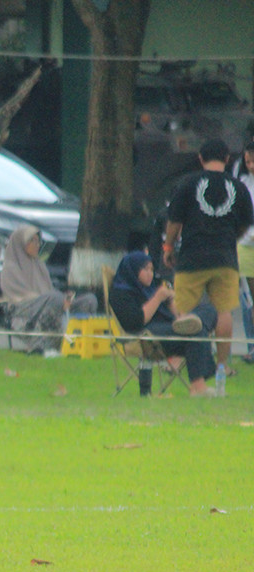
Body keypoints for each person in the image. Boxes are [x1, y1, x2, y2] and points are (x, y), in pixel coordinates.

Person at [164, 138, 254, 387]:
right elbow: (246, 223)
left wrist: (168, 247)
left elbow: (174, 221)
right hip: (225, 258)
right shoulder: (239, 187)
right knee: (223, 311)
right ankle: (222, 369)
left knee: (185, 310)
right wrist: (230, 238)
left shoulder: (188, 183)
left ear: (201, 159)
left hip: (191, 257)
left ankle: (191, 370)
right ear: (227, 159)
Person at [109, 251, 217, 397]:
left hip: (170, 326)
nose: (150, 274)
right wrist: (158, 298)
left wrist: (173, 303)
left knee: (209, 310)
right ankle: (198, 387)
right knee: (196, 332)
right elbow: (135, 322)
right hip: (146, 334)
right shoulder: (121, 293)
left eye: (152, 270)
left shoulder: (152, 287)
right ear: (133, 269)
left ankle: (192, 323)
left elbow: (173, 316)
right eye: (145, 269)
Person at [1, 224, 97, 356]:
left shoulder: (39, 265)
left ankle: (81, 344)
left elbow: (49, 290)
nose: (37, 245)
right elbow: (19, 295)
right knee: (54, 298)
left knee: (90, 300)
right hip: (23, 308)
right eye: (32, 241)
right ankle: (42, 345)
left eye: (38, 241)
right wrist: (54, 298)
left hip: (50, 301)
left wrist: (65, 298)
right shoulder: (11, 267)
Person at [229, 140, 254, 364]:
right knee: (248, 300)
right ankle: (251, 345)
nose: (251, 165)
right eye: (248, 161)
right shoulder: (243, 182)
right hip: (245, 246)